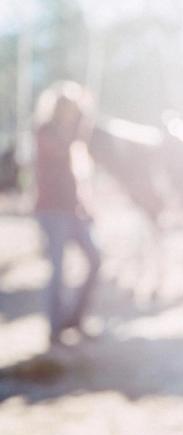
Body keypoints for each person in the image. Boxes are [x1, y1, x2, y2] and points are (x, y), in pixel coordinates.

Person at [32, 81, 100, 347]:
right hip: (51, 210)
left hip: (74, 210)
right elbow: (60, 151)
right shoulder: (46, 132)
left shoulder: (74, 139)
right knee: (58, 269)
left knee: (95, 260)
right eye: (70, 108)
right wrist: (80, 130)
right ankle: (55, 328)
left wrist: (87, 207)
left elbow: (78, 176)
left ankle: (76, 319)